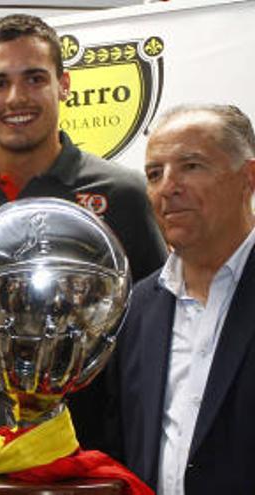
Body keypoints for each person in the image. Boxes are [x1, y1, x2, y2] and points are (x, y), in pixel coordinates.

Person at [0, 13, 167, 468]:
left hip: (85, 463)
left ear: (63, 85)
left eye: (34, 78)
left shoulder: (122, 194)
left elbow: (151, 331)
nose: (16, 98)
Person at [114, 104, 255, 493]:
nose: (168, 187)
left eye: (191, 166)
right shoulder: (138, 306)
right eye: (154, 174)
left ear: (249, 178)